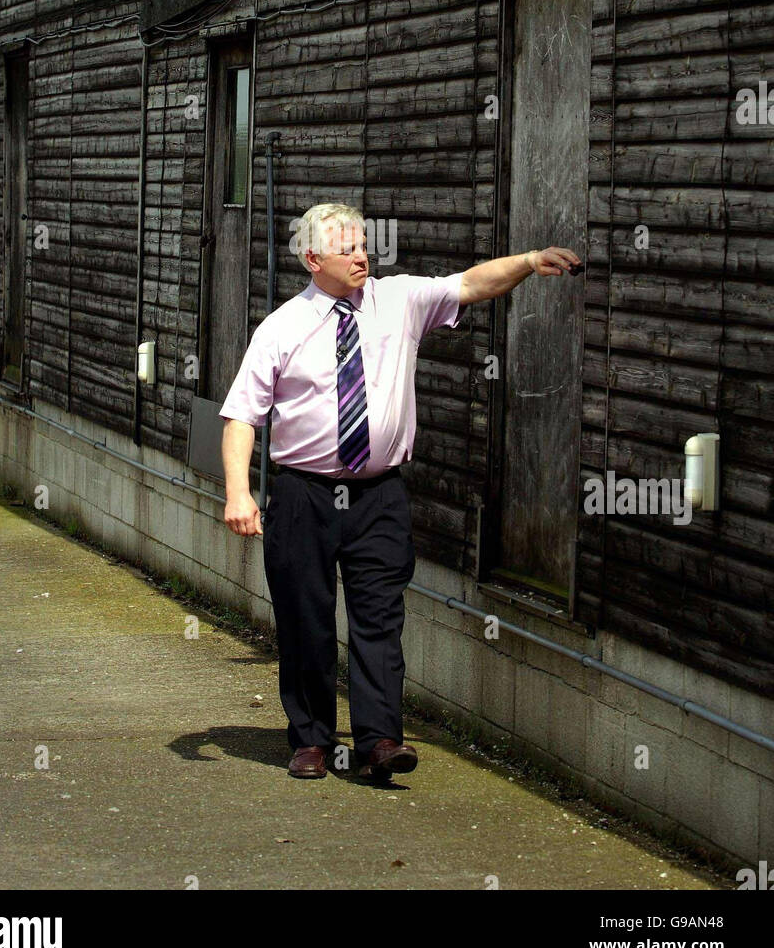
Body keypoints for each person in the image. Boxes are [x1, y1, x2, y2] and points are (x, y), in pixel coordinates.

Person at [219, 203, 581, 781]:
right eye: (348, 249)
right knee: (304, 620)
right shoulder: (281, 328)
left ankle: (380, 740)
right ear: (314, 258)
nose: (363, 256)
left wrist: (531, 260)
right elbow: (242, 416)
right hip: (303, 497)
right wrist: (239, 493)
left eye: (365, 246)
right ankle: (311, 739)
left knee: (380, 618)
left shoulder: (400, 301)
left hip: (378, 496)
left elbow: (470, 284)